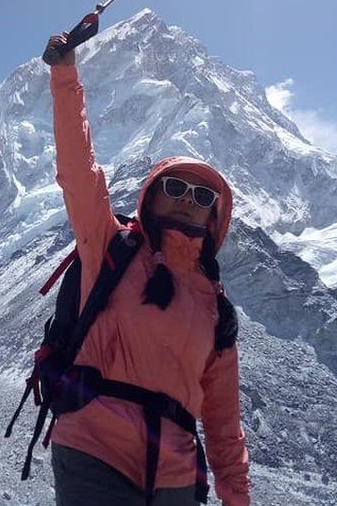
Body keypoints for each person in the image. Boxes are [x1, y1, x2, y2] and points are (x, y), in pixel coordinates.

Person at [45, 33, 251, 506]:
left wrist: (237, 497)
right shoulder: (111, 247)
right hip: (94, 446)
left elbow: (222, 419)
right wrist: (65, 77)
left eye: (203, 197)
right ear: (150, 193)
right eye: (175, 186)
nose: (187, 199)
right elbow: (79, 173)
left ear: (214, 218)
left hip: (174, 470)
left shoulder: (216, 308)